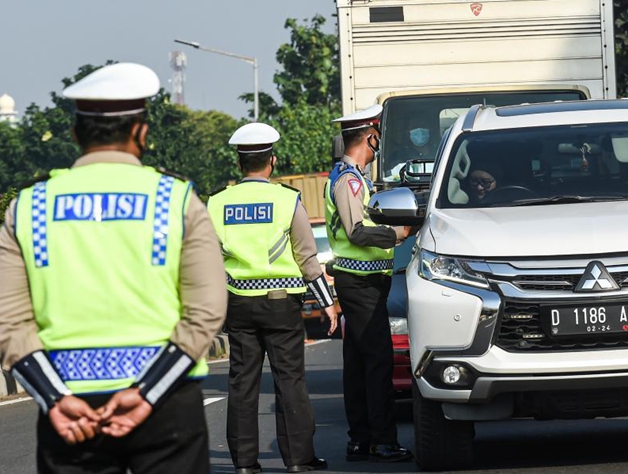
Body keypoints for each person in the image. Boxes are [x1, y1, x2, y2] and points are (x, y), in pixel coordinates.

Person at [0, 62, 228, 473]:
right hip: (166, 402)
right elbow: (206, 311)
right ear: (141, 132)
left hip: (69, 407)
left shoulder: (28, 207)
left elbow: (9, 322)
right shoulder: (175, 200)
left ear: (75, 134)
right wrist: (145, 393)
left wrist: (54, 399)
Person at [207, 123, 338, 474]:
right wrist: (327, 302)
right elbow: (307, 258)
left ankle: (245, 464)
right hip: (282, 304)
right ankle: (298, 460)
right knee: (289, 380)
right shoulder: (286, 200)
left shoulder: (217, 203)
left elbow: (209, 259)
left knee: (242, 381)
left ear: (239, 163)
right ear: (272, 161)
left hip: (238, 304)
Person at [325, 105, 414, 463]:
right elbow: (357, 232)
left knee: (359, 363)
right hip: (359, 282)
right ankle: (382, 440)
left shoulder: (355, 177)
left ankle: (361, 440)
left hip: (364, 282)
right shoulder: (349, 180)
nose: (378, 145)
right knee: (377, 362)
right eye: (377, 138)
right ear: (370, 137)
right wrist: (399, 233)